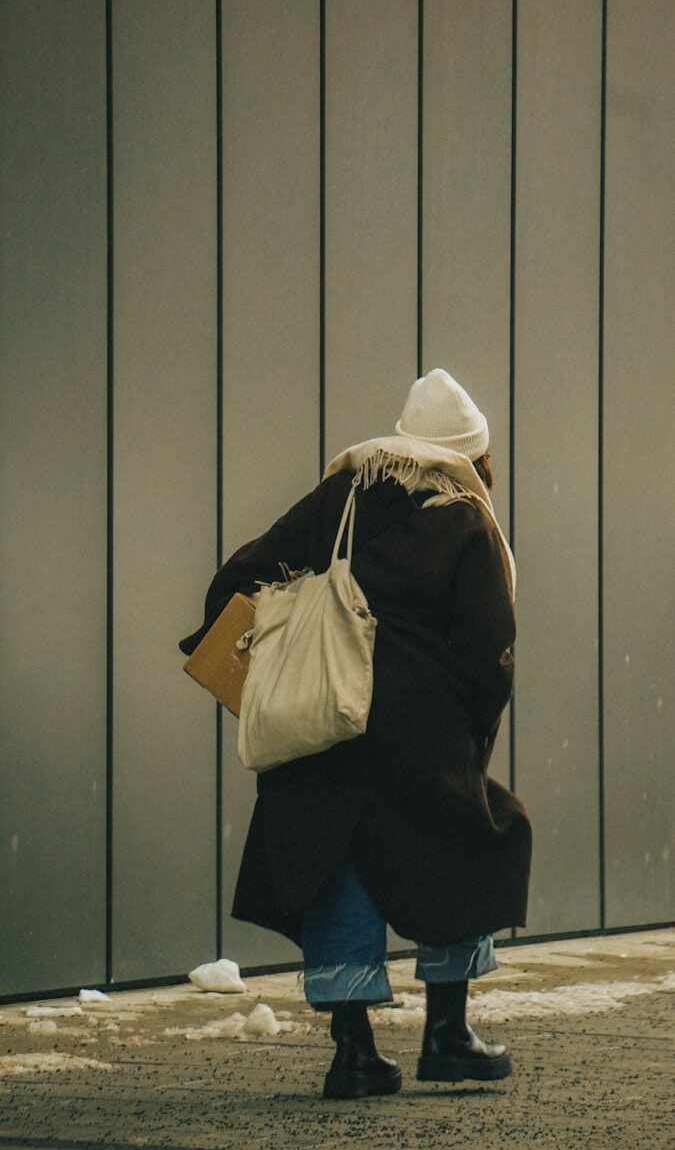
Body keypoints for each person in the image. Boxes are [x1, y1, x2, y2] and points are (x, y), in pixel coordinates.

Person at [178, 368, 532, 1100]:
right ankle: (448, 1036)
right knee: (469, 843)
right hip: (416, 730)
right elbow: (486, 648)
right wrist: (469, 736)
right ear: (473, 454)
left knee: (334, 860)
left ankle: (354, 1055)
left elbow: (236, 579)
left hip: (320, 724)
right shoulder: (465, 517)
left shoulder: (338, 497)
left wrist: (256, 674)